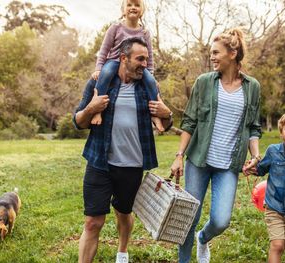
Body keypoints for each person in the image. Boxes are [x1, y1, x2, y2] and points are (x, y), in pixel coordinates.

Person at [73, 37, 173, 263]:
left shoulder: (148, 87)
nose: (144, 64)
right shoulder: (100, 84)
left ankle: (122, 251)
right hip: (100, 162)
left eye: (147, 59)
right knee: (92, 222)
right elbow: (78, 121)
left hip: (132, 166)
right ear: (123, 58)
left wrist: (167, 114)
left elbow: (164, 126)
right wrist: (92, 108)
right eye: (140, 59)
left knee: (124, 212)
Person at [170, 28, 262, 263]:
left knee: (221, 220)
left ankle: (203, 238)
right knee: (189, 217)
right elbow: (189, 121)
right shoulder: (203, 82)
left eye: (215, 53)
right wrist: (179, 155)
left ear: (232, 54)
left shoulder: (252, 87)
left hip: (228, 165)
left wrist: (255, 155)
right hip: (199, 160)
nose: (211, 57)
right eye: (211, 53)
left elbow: (253, 126)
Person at [90, 0, 164, 132]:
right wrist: (99, 68)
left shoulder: (145, 32)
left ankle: (155, 114)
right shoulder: (115, 28)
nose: (133, 8)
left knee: (151, 82)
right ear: (123, 10)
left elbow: (150, 55)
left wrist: (150, 73)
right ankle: (97, 111)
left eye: (136, 5)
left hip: (137, 64)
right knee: (105, 74)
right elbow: (104, 50)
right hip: (114, 61)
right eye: (129, 5)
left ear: (142, 10)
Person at [250, 114, 285, 263]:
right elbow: (260, 169)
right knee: (277, 245)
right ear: (281, 131)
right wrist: (248, 167)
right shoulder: (273, 151)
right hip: (275, 207)